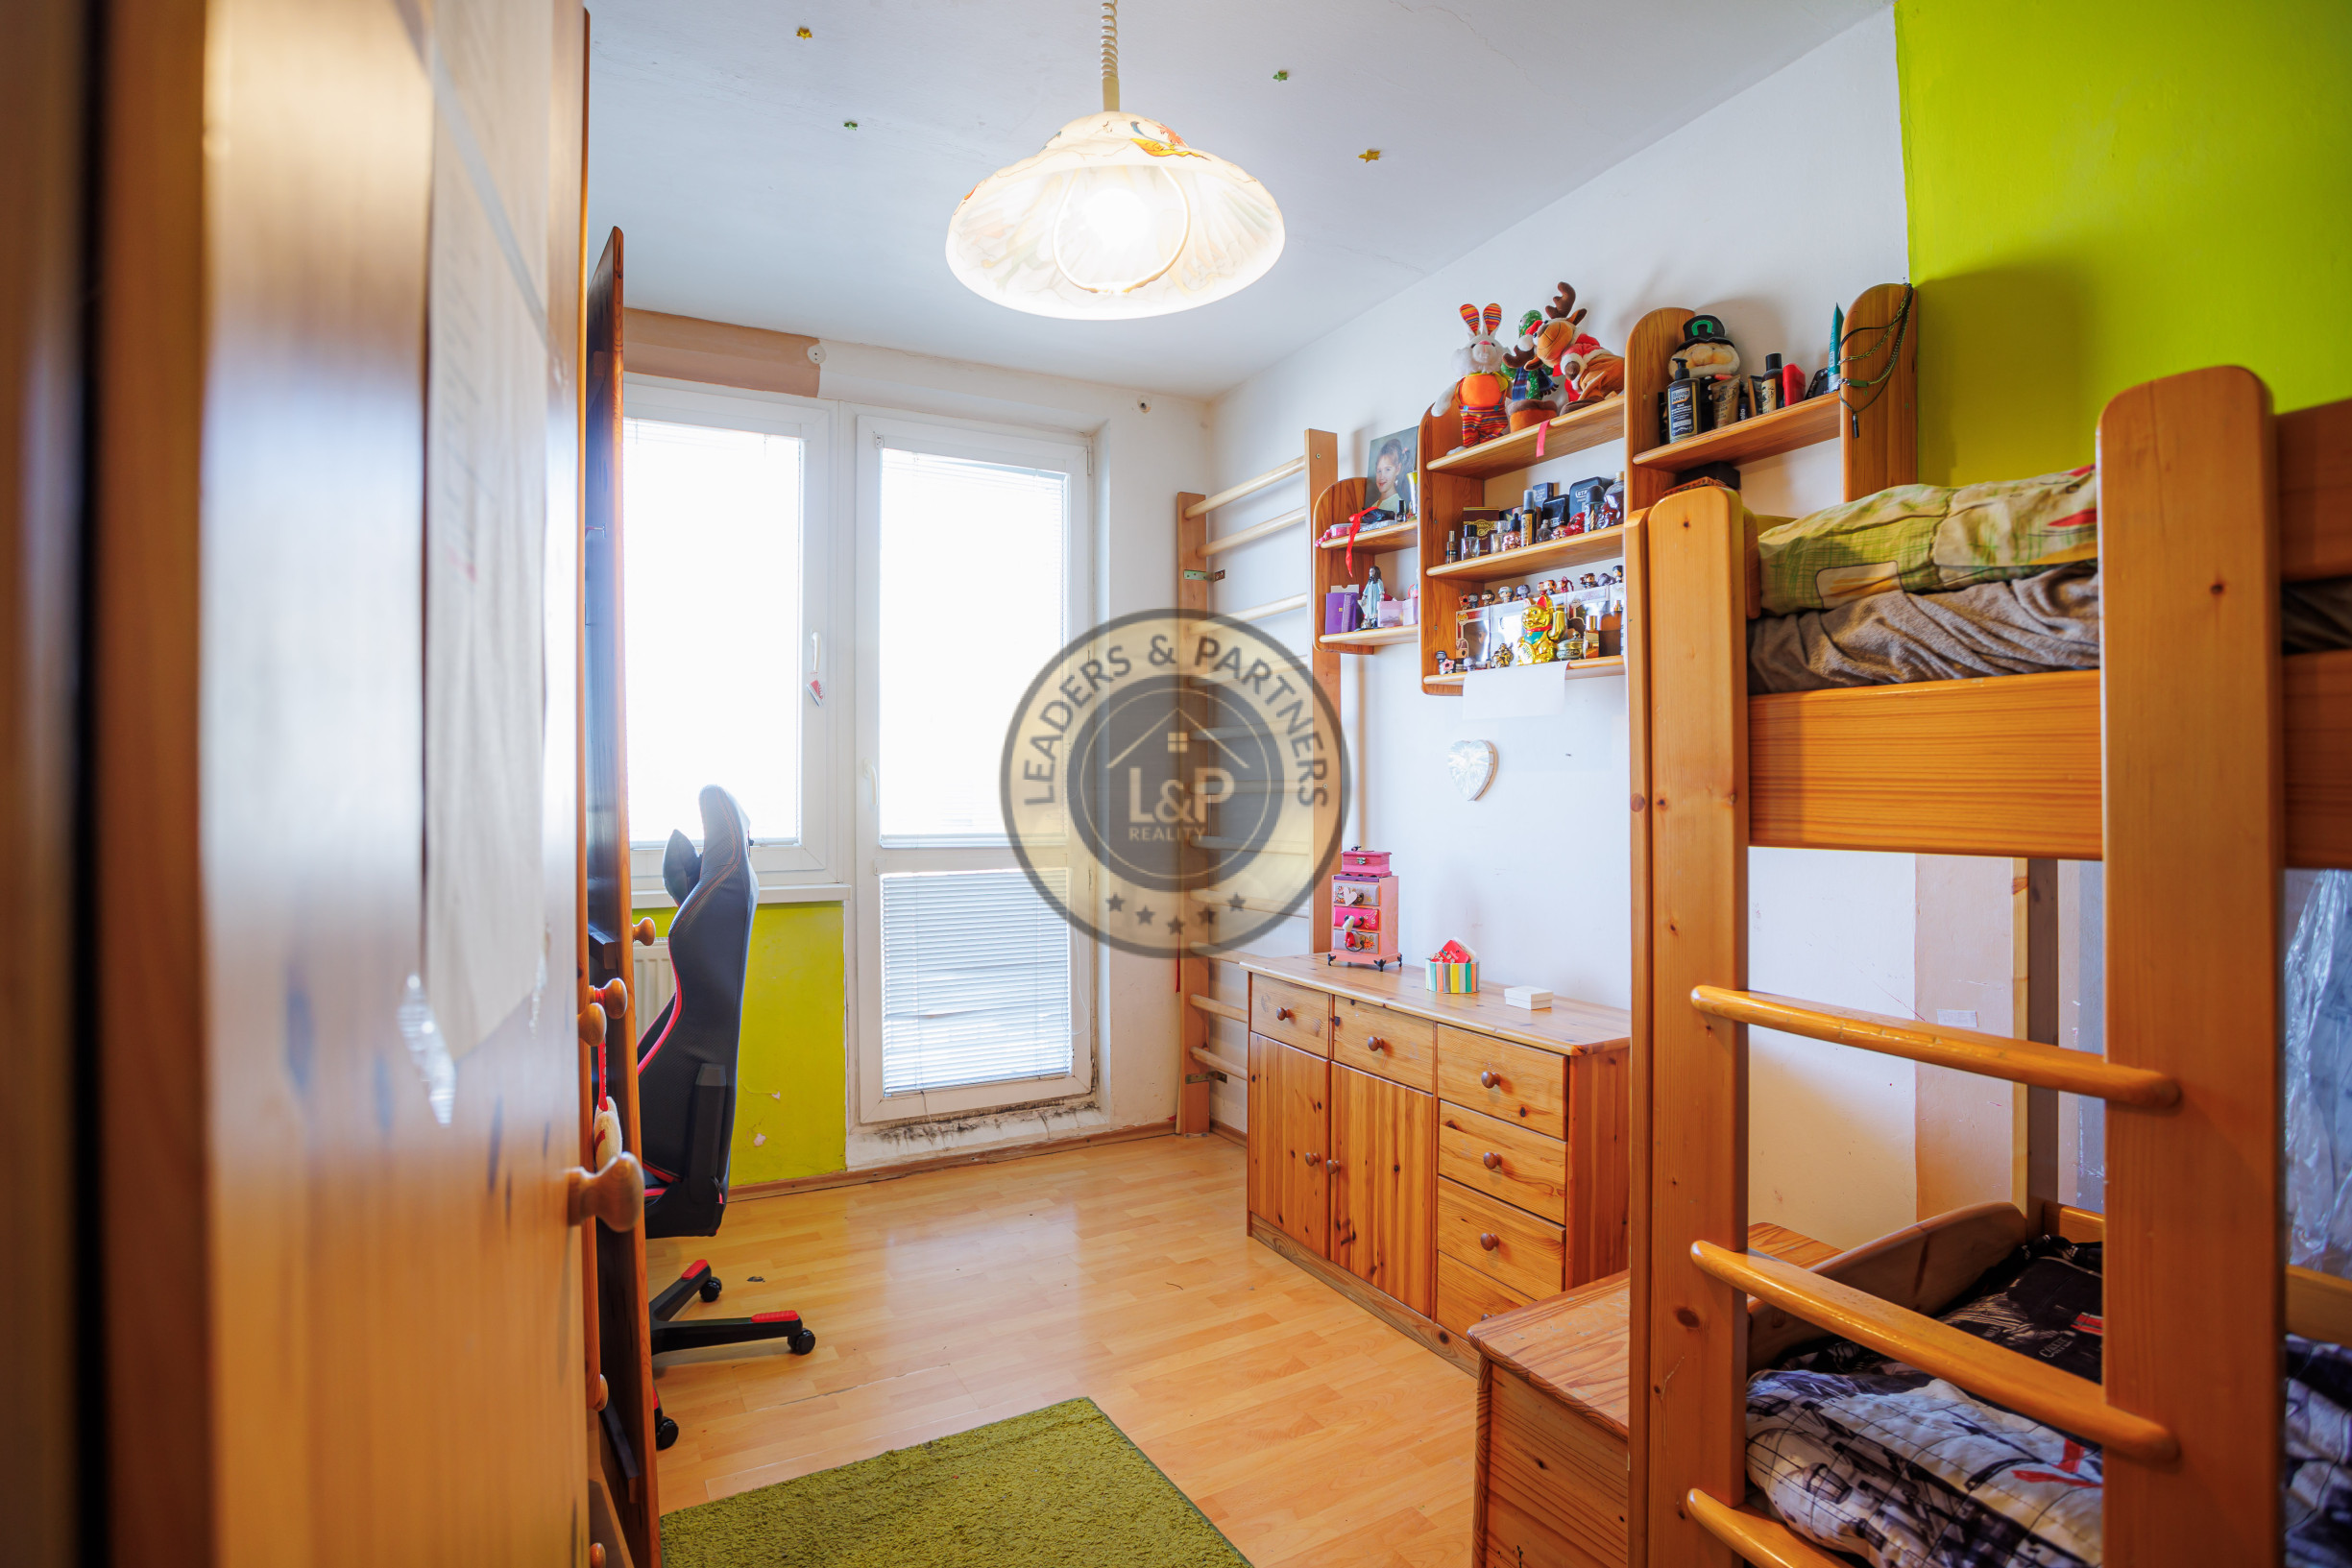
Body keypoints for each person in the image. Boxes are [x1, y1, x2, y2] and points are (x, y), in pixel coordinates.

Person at [1368, 437, 1414, 520]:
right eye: (1379, 471)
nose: (1382, 476)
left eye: (1388, 469)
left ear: (1398, 469)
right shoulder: (1373, 506)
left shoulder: (1398, 504)